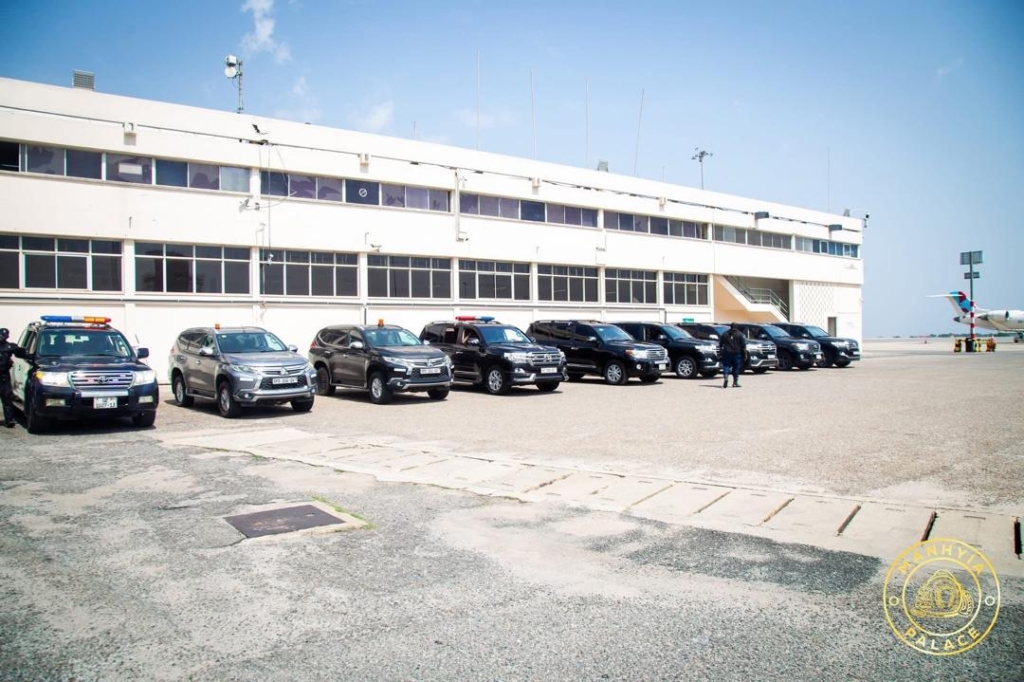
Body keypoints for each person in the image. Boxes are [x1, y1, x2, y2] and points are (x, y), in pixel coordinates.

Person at [1, 327, 25, 427]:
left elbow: (22, 354)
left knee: (7, 398)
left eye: (3, 335)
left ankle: (9, 420)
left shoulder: (9, 347)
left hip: (3, 376)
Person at [719, 323, 747, 389]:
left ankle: (726, 378)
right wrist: (745, 355)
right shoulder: (740, 334)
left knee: (726, 366)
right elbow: (743, 346)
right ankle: (735, 382)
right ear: (737, 327)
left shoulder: (724, 334)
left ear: (730, 327)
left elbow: (720, 345)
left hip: (727, 353)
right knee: (736, 368)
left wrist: (720, 353)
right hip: (737, 354)